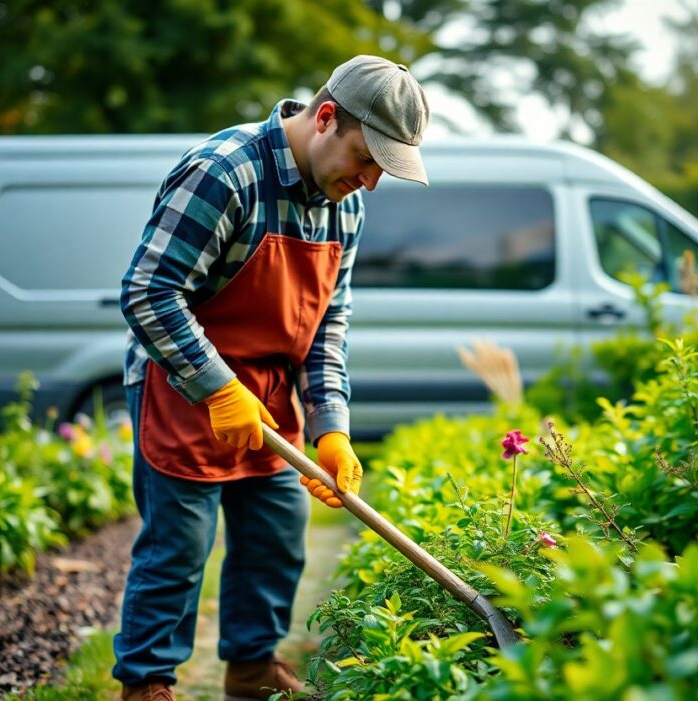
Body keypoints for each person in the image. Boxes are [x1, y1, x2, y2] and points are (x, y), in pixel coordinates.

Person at [112, 55, 431, 701]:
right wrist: (217, 386)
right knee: (178, 550)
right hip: (182, 385)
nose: (370, 183)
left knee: (277, 539)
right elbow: (148, 291)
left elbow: (326, 327)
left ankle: (251, 667)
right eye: (367, 160)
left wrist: (331, 428)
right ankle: (147, 681)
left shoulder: (346, 209)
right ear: (325, 118)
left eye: (382, 173)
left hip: (272, 391)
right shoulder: (224, 173)